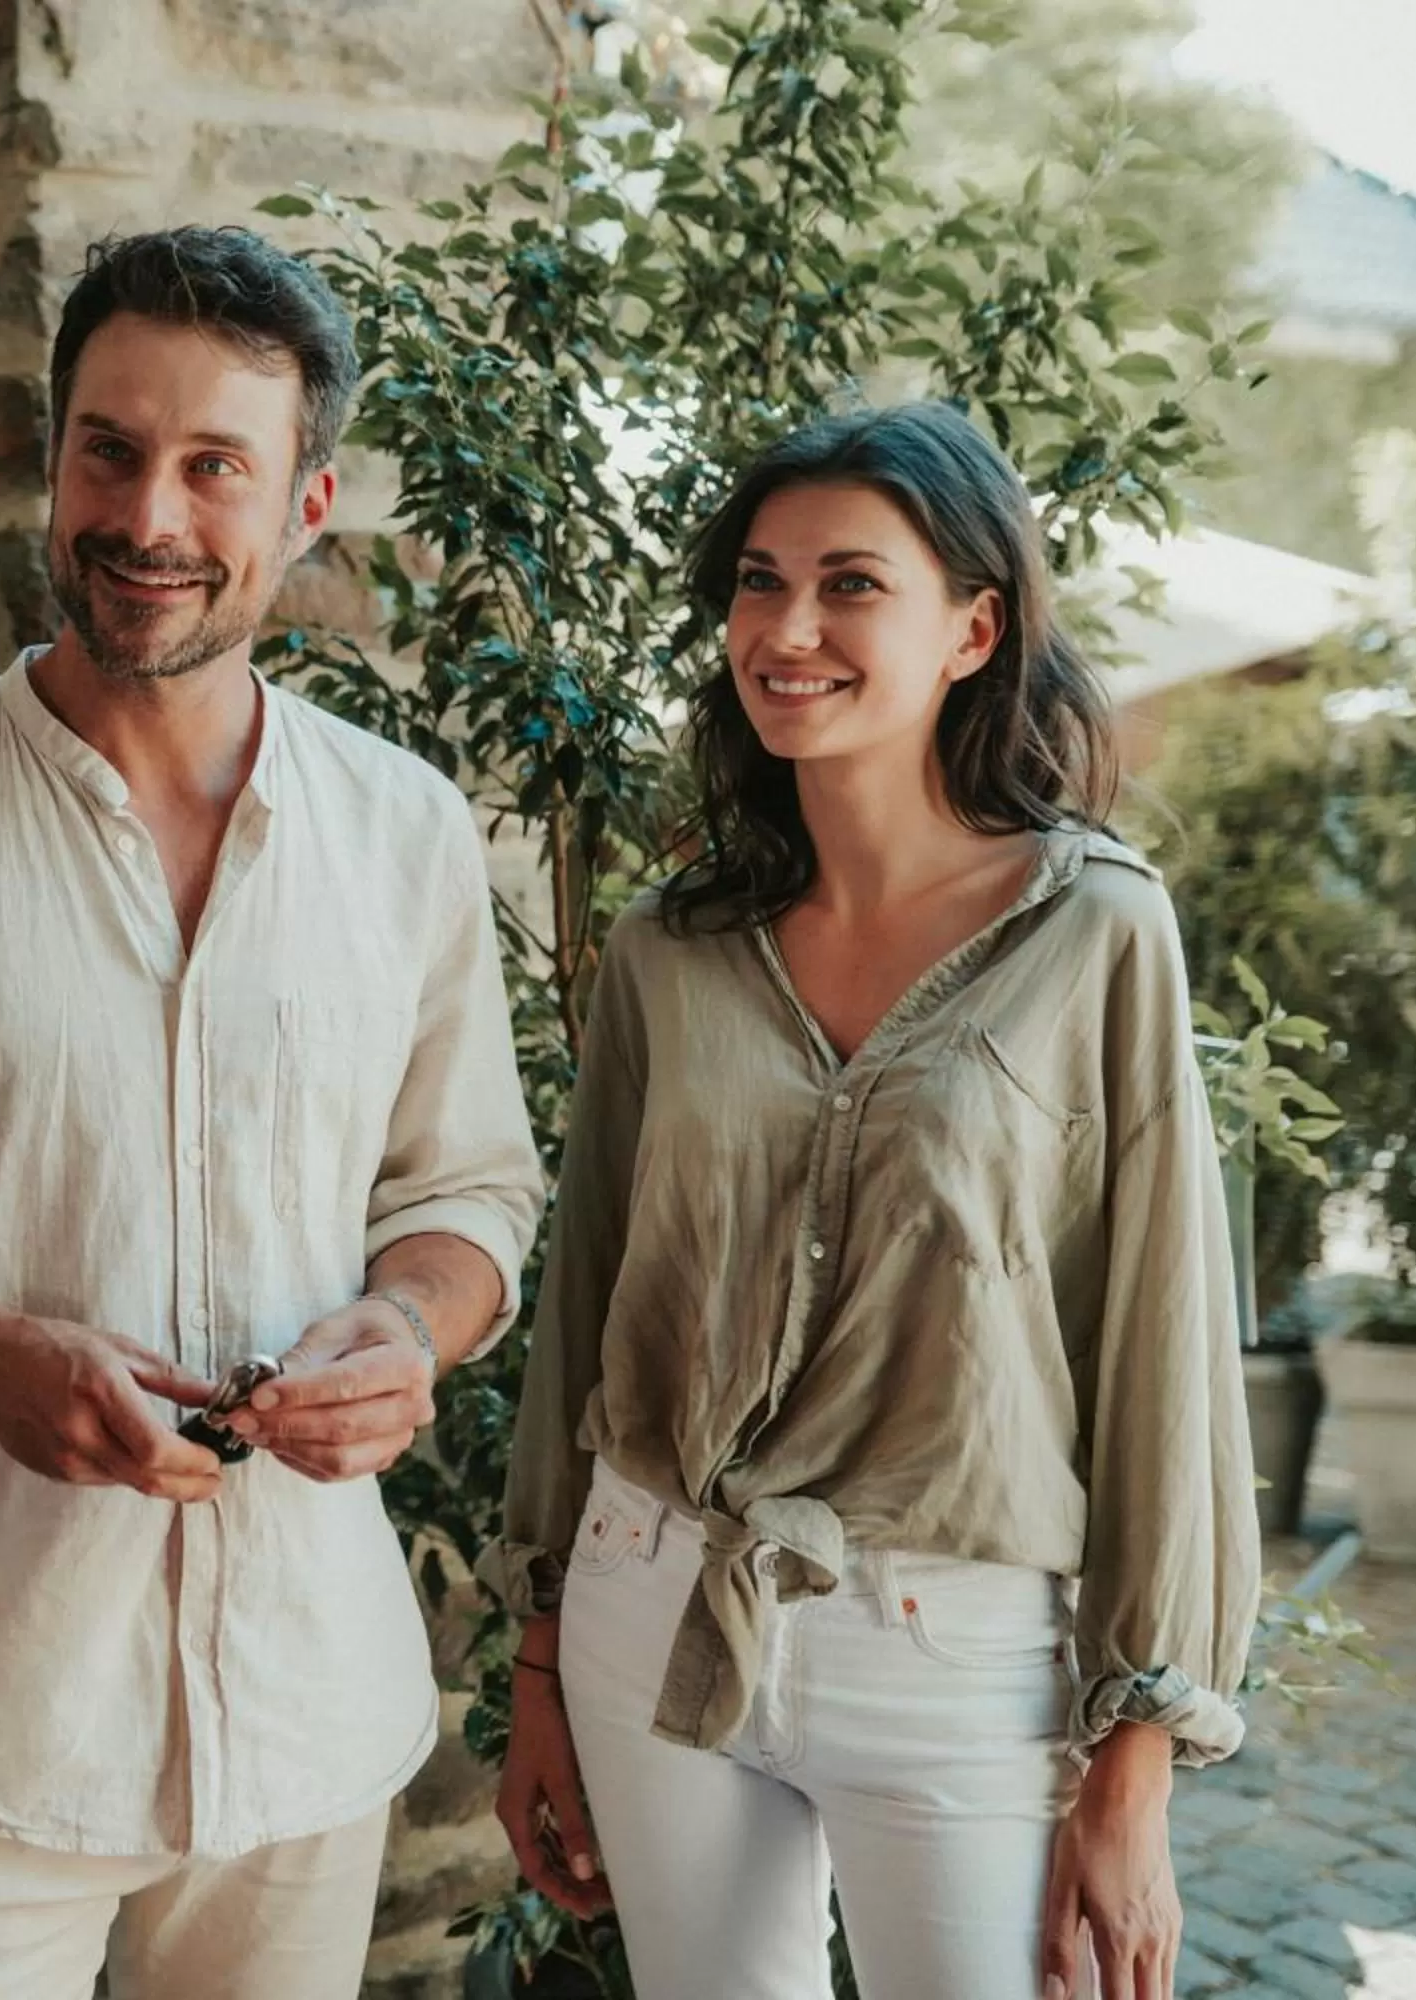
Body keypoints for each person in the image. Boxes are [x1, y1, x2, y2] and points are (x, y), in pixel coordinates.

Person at [0, 225, 547, 1999]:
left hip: (304, 1717)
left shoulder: (408, 835)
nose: (149, 516)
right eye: (109, 449)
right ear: (53, 454)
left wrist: (411, 1326)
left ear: (308, 505)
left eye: (216, 466)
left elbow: (473, 1192)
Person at [489, 401, 1260, 2000]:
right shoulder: (670, 944)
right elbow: (584, 1311)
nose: (788, 629)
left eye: (851, 585)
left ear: (975, 627)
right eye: (759, 584)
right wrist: (544, 1663)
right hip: (658, 1597)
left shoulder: (1097, 932)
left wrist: (1138, 1755)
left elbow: (1165, 1356)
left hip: (962, 1651)